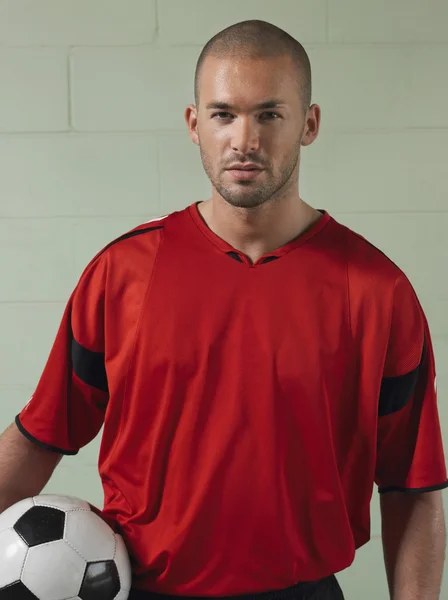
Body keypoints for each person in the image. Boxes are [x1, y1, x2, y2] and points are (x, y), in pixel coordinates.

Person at [0, 19, 446, 600]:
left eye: (269, 114)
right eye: (223, 114)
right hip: (143, 588)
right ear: (194, 124)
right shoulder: (123, 273)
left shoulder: (377, 292)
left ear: (308, 124)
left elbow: (413, 489)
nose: (245, 139)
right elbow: (40, 436)